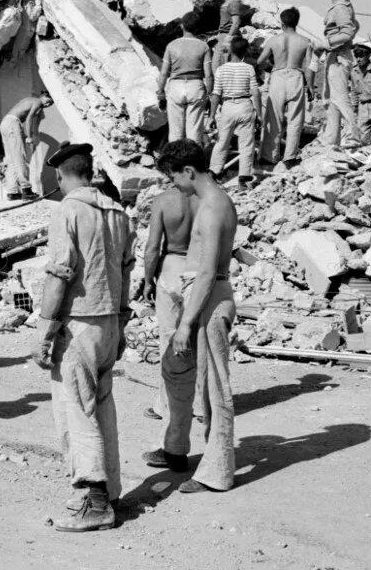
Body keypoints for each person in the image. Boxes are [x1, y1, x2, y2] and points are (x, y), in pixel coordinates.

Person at [31, 142, 134, 532]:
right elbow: (126, 271)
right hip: (109, 322)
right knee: (102, 408)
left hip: (79, 324)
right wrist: (121, 323)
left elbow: (60, 273)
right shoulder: (117, 212)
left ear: (60, 175)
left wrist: (45, 331)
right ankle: (110, 490)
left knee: (77, 411)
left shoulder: (67, 211)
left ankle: (95, 501)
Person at [142, 139, 237, 495]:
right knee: (177, 371)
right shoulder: (214, 202)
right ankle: (175, 448)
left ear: (188, 171)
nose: (175, 186)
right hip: (202, 296)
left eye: (175, 177)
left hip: (209, 300)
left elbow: (208, 272)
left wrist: (184, 324)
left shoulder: (212, 207)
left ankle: (217, 472)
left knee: (214, 390)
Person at [139, 181, 196, 422]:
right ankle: (201, 405)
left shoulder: (164, 200)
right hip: (199, 266)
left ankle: (166, 405)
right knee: (198, 338)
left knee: (168, 338)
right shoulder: (208, 198)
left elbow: (152, 247)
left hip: (171, 266)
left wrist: (148, 280)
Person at [258, 7, 314, 165]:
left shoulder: (273, 40)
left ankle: (269, 156)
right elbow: (310, 66)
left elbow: (260, 61)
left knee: (274, 117)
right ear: (297, 22)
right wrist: (310, 86)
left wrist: (268, 67)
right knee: (295, 119)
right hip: (296, 75)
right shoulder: (305, 41)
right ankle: (290, 156)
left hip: (278, 76)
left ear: (282, 22)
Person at [208, 36, 260, 184]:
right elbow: (255, 92)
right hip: (244, 105)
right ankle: (243, 178)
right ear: (245, 51)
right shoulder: (249, 68)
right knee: (247, 144)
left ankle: (214, 172)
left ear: (231, 50)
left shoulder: (221, 69)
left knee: (222, 141)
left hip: (228, 106)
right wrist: (259, 114)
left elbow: (216, 94)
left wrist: (211, 116)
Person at [157, 10, 213, 144]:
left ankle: (175, 156)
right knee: (194, 132)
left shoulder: (172, 45)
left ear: (182, 26)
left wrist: (160, 92)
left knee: (175, 132)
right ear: (197, 28)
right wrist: (210, 94)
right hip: (195, 86)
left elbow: (164, 73)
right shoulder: (204, 46)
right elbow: (209, 75)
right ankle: (193, 156)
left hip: (175, 86)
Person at [321, 0, 361, 149]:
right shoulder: (344, 6)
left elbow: (348, 32)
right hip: (336, 55)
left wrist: (327, 43)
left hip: (338, 56)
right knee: (332, 100)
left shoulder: (340, 8)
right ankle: (332, 140)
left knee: (341, 99)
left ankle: (354, 138)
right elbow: (355, 25)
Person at [0, 93, 53, 200]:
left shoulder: (29, 100)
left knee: (11, 159)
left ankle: (12, 192)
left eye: (50, 105)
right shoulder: (37, 102)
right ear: (43, 96)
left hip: (5, 124)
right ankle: (26, 190)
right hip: (12, 124)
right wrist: (29, 137)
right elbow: (29, 119)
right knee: (20, 157)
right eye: (48, 101)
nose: (47, 105)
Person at [210, 0, 247, 74]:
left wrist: (228, 38)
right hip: (224, 36)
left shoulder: (233, 3)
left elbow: (236, 22)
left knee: (221, 67)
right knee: (218, 66)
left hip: (228, 37)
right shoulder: (227, 3)